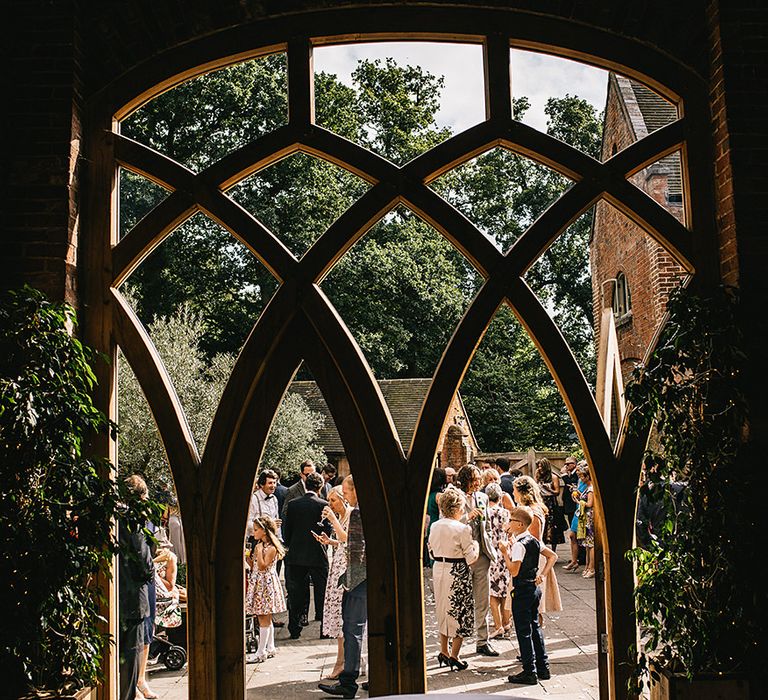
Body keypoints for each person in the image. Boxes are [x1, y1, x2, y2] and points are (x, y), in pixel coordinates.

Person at [318, 475, 367, 699]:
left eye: (346, 493)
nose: (345, 497)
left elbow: (356, 551)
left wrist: (348, 583)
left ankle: (348, 682)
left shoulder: (357, 513)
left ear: (356, 491)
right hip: (369, 577)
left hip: (359, 580)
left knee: (352, 630)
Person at [499, 506, 557, 685]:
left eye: (510, 521)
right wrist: (543, 574)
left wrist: (505, 553)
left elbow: (514, 571)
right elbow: (552, 556)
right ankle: (543, 667)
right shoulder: (533, 540)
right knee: (535, 628)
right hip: (534, 588)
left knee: (524, 631)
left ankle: (529, 671)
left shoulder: (519, 545)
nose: (508, 523)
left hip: (522, 589)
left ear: (519, 524)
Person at [427, 488, 479, 671]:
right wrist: (476, 545)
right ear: (458, 508)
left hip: (439, 568)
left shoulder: (435, 525)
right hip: (457, 570)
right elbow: (471, 558)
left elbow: (430, 550)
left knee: (442, 609)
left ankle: (443, 650)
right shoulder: (463, 528)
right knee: (460, 612)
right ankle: (455, 655)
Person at [118, 475, 155, 700]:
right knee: (131, 657)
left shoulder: (115, 516)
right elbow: (143, 557)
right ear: (141, 497)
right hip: (133, 596)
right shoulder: (134, 520)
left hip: (118, 595)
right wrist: (151, 570)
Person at [456, 464, 499, 657]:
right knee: (461, 601)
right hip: (462, 556)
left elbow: (487, 526)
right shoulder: (454, 496)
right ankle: (456, 642)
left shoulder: (482, 497)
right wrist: (467, 517)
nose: (478, 483)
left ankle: (483, 641)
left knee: (483, 600)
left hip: (482, 556)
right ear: (465, 479)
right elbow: (448, 523)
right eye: (474, 479)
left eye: (479, 480)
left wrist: (489, 548)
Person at [282, 471, 331, 639]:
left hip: (296, 554)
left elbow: (287, 529)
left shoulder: (294, 504)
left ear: (305, 484)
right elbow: (328, 530)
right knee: (322, 592)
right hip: (317, 553)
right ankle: (325, 629)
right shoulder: (323, 504)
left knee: (296, 592)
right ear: (321, 486)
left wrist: (289, 544)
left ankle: (294, 628)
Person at [313, 485, 351, 679]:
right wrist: (330, 542)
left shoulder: (351, 514)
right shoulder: (344, 516)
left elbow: (347, 537)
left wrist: (333, 520)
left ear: (343, 499)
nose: (330, 504)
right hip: (339, 563)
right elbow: (343, 541)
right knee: (338, 614)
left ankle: (341, 663)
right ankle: (343, 661)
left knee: (342, 614)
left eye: (333, 500)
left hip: (346, 568)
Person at [512, 475, 562, 621]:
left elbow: (532, 542)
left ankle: (535, 636)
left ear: (523, 492)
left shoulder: (531, 512)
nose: (513, 493)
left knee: (534, 607)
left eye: (515, 490)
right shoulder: (532, 509)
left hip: (532, 561)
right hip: (531, 556)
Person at [246, 515, 287, 662]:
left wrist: (257, 551)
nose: (253, 532)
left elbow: (263, 566)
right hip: (259, 581)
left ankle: (260, 651)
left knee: (263, 617)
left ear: (264, 531)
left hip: (265, 583)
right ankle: (270, 647)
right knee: (265, 618)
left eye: (256, 530)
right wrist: (248, 558)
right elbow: (255, 566)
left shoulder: (271, 548)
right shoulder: (261, 546)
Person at [484, 482, 511, 639]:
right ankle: (506, 624)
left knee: (492, 594)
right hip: (504, 553)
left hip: (492, 555)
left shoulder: (485, 512)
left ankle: (498, 625)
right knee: (504, 591)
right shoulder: (506, 513)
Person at [563, 460, 588, 573]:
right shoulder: (579, 480)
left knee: (586, 539)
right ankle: (574, 561)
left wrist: (577, 494)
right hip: (578, 509)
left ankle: (587, 564)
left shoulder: (588, 482)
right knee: (572, 535)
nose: (579, 476)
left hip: (583, 509)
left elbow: (587, 495)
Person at [535, 458, 565, 552]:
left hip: (551, 502)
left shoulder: (554, 477)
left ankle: (553, 549)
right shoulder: (539, 476)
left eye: (541, 466)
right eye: (538, 466)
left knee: (553, 526)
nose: (539, 468)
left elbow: (557, 492)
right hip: (541, 501)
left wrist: (549, 489)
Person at [575, 466, 596, 578]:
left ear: (588, 476)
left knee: (590, 544)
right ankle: (587, 566)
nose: (581, 478)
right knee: (586, 544)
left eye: (582, 476)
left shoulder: (591, 489)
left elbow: (589, 504)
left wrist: (579, 501)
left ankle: (592, 567)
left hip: (589, 518)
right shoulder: (587, 488)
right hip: (585, 517)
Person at [425, 468, 447, 567]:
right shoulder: (439, 496)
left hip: (431, 525)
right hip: (439, 526)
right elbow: (443, 515)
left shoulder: (428, 495)